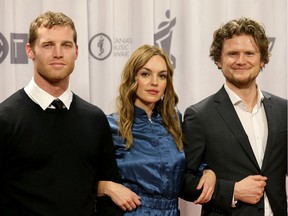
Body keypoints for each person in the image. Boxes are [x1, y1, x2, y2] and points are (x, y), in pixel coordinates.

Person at [0, 11, 120, 216]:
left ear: (76, 51)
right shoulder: (5, 119)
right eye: (48, 45)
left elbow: (108, 192)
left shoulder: (95, 119)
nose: (58, 53)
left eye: (66, 45)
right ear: (29, 50)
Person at [181, 17, 287, 215]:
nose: (241, 60)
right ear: (218, 60)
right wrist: (232, 191)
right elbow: (182, 181)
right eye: (232, 54)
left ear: (262, 59)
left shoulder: (284, 110)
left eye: (249, 53)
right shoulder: (199, 115)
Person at [96, 44, 216, 215]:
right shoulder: (111, 126)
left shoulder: (175, 121)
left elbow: (190, 164)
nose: (154, 82)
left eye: (162, 76)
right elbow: (81, 180)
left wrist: (207, 170)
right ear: (132, 78)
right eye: (145, 74)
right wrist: (107, 187)